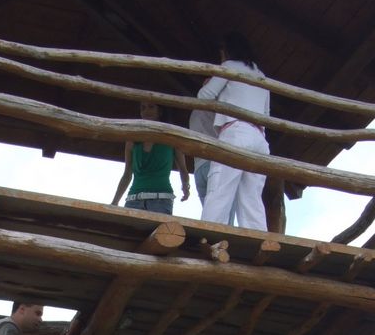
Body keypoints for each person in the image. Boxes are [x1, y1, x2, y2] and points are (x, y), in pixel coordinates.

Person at [195, 32, 270, 231]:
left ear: (226, 51)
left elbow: (204, 96)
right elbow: (266, 115)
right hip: (259, 138)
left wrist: (210, 83)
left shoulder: (229, 66)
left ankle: (209, 233)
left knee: (220, 188)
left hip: (235, 132)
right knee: (252, 196)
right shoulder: (261, 76)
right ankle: (257, 238)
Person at [111, 102, 191, 215]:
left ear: (160, 111)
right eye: (143, 108)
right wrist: (115, 202)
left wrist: (185, 186)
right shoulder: (132, 140)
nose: (146, 111)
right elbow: (127, 174)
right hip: (133, 200)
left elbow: (183, 169)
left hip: (161, 200)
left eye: (151, 107)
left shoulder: (172, 138)